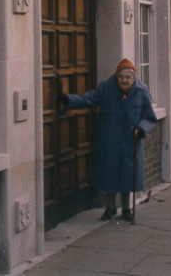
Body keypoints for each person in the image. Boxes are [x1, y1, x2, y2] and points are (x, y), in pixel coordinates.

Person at [59, 58, 156, 221]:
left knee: (127, 176)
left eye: (128, 77)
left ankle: (126, 209)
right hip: (109, 140)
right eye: (121, 77)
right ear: (116, 77)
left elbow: (149, 117)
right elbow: (89, 99)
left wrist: (142, 128)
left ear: (133, 78)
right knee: (109, 175)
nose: (124, 80)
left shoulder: (142, 91)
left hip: (131, 141)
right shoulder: (106, 89)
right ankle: (110, 208)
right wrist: (69, 100)